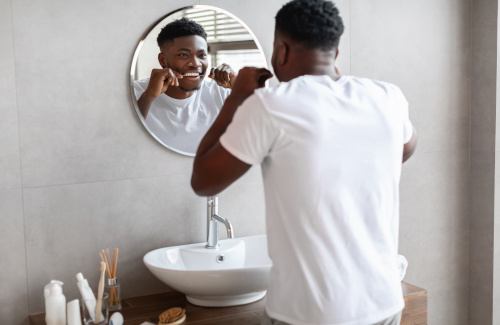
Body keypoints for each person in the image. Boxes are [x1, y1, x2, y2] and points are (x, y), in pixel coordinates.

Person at [191, 0, 417, 324]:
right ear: (335, 52)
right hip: (384, 303)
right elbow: (407, 148)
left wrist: (236, 99)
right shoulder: (387, 97)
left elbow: (203, 181)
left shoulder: (270, 106)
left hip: (312, 314)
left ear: (281, 50)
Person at [133, 18, 235, 154]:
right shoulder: (135, 92)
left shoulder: (221, 93)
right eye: (183, 55)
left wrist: (239, 85)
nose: (196, 63)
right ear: (163, 60)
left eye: (201, 55)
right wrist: (149, 96)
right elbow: (120, 142)